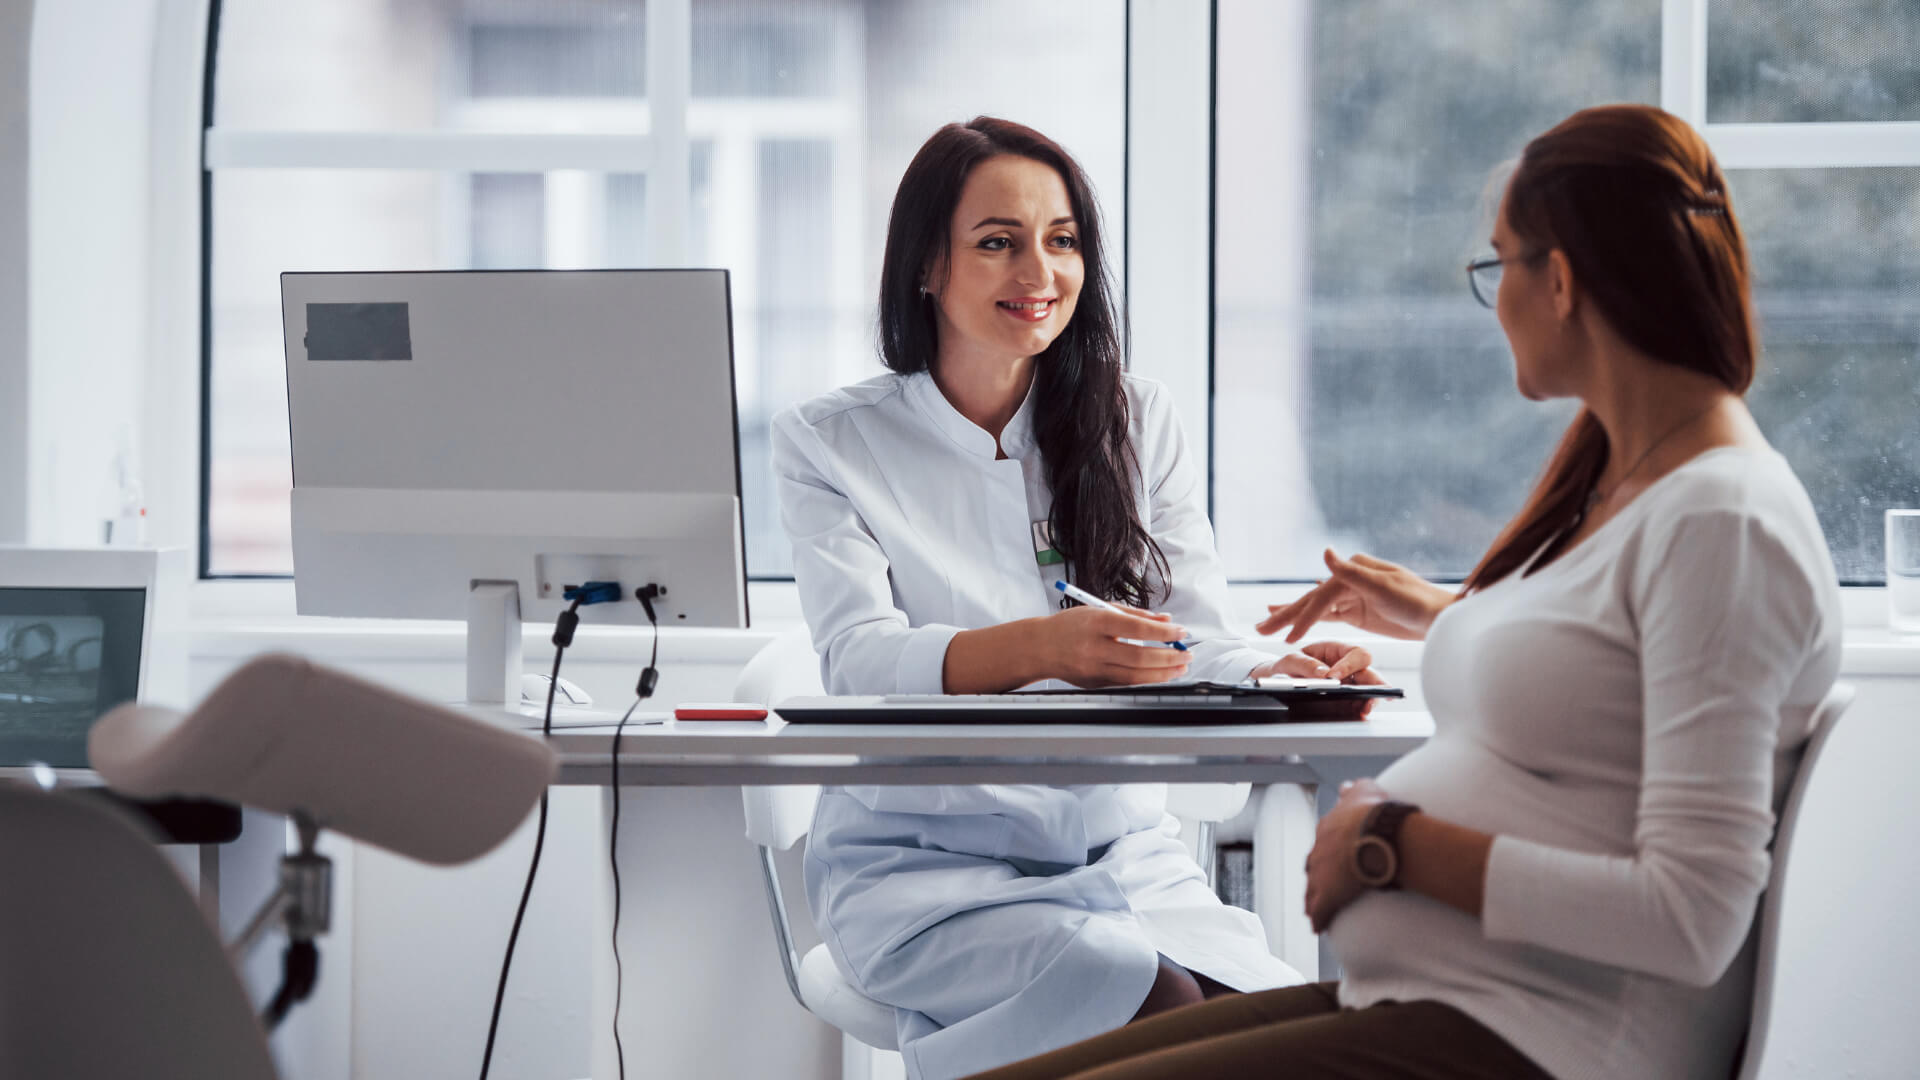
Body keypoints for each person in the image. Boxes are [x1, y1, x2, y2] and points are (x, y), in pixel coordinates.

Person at [962, 103, 1844, 1080]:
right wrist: (1440, 616)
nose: (1494, 296)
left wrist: (1393, 847)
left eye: (1497, 263)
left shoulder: (1723, 522)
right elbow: (1608, 662)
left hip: (1545, 1042)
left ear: (1560, 280)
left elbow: (1690, 919)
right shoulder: (1634, 486)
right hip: (1457, 1006)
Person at [771, 116, 1377, 1080]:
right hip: (923, 871)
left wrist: (1279, 667)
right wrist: (1052, 649)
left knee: (1279, 1033)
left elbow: (1192, 638)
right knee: (1143, 998)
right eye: (998, 242)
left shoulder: (1133, 421)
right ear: (927, 266)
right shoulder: (831, 441)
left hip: (1116, 856)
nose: (1039, 272)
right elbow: (860, 661)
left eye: (1061, 240)